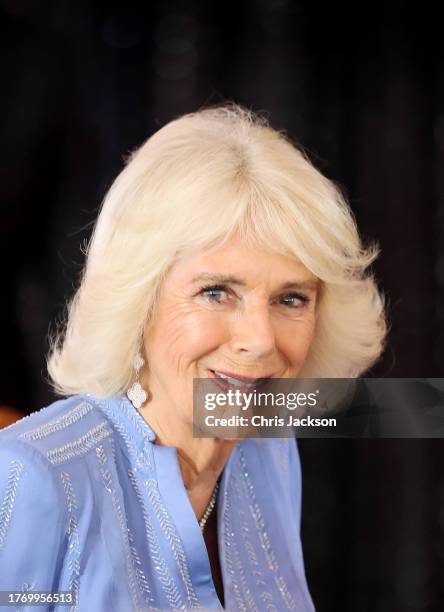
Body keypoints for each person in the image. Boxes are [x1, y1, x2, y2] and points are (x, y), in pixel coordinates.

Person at [0, 104, 387, 611]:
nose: (260, 340)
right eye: (216, 292)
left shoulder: (268, 451)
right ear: (139, 299)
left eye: (290, 299)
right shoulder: (35, 473)